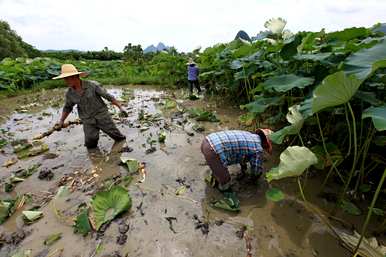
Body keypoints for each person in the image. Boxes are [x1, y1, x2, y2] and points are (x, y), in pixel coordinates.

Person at [53, 64, 127, 149]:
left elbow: (108, 96)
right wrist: (61, 121)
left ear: (74, 77)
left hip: (102, 116)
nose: (65, 81)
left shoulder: (92, 85)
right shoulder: (70, 93)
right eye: (64, 79)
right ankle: (95, 157)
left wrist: (120, 107)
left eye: (66, 79)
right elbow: (68, 107)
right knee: (90, 143)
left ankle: (122, 148)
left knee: (117, 137)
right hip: (88, 120)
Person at [201, 129, 272, 191]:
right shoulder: (257, 149)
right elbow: (256, 171)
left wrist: (243, 169)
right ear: (266, 144)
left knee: (218, 167)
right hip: (213, 150)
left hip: (207, 141)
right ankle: (223, 192)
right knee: (225, 179)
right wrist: (253, 181)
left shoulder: (249, 135)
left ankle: (216, 172)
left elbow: (241, 153)